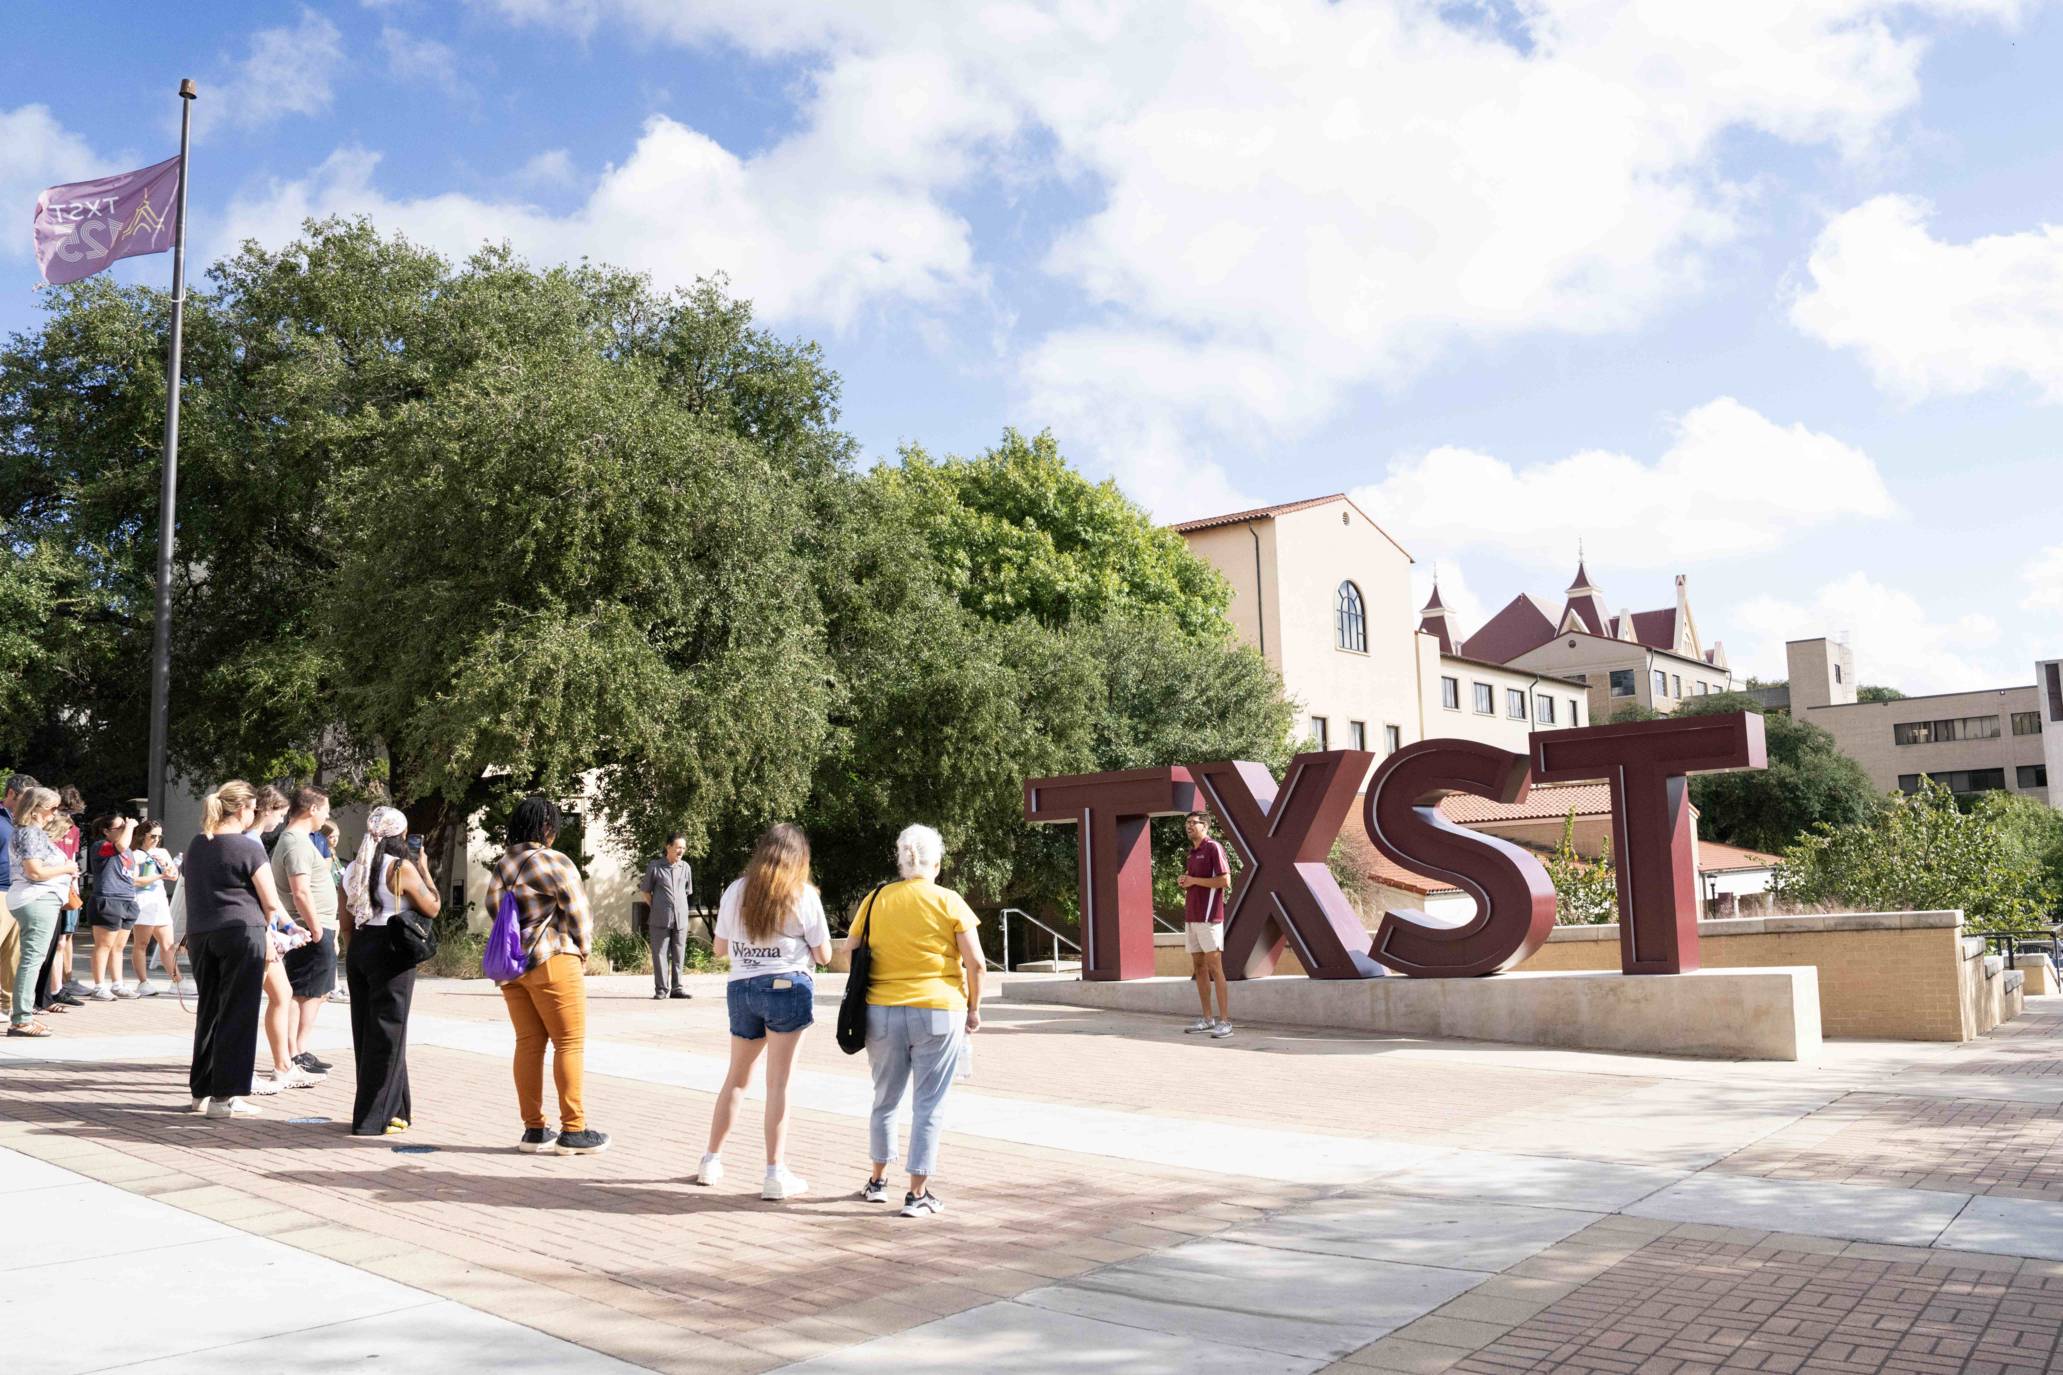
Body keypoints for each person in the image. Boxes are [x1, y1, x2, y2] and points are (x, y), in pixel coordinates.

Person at [849, 824, 984, 1219]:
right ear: (936, 863)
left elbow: (852, 948)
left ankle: (876, 1182)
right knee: (929, 1103)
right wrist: (974, 1007)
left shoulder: (875, 899)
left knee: (884, 1098)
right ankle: (918, 1193)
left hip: (881, 1009)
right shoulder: (950, 901)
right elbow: (975, 963)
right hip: (939, 1011)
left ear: (901, 861)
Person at [696, 824, 831, 1199]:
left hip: (742, 988)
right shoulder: (802, 894)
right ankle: (775, 1172)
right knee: (778, 1084)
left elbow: (719, 949)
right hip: (787, 987)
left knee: (736, 1077)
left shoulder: (736, 890)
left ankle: (711, 1159)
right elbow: (824, 954)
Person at [485, 796, 608, 1156]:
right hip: (553, 958)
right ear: (547, 828)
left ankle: (534, 1130)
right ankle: (574, 1129)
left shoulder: (503, 865)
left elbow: (496, 911)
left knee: (528, 1044)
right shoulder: (554, 860)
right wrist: (583, 950)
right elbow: (579, 912)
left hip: (512, 968)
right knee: (568, 1044)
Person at [184, 780, 294, 1118]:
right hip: (241, 932)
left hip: (202, 934)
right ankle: (226, 1096)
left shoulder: (198, 843)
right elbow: (270, 900)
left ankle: (201, 1091)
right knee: (238, 1014)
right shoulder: (248, 848)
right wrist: (283, 929)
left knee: (210, 1011)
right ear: (243, 810)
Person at [342, 805, 435, 1136]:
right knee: (389, 1032)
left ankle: (397, 1109)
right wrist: (423, 868)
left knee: (366, 1031)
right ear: (402, 835)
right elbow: (433, 906)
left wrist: (356, 948)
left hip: (360, 944)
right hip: (391, 948)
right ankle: (372, 1117)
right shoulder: (401, 868)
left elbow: (346, 921)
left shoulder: (354, 867)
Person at [271, 787, 338, 1078]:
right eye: (325, 808)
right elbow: (300, 892)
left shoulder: (300, 840)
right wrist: (316, 929)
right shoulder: (296, 842)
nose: (327, 815)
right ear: (311, 809)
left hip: (315, 926)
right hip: (309, 927)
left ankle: (299, 1050)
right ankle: (294, 1054)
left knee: (314, 992)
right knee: (302, 993)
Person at [7, 788, 75, 1038]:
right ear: (35, 808)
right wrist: (66, 867)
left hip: (36, 898)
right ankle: (22, 1019)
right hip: (37, 898)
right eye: (52, 808)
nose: (54, 814)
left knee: (31, 959)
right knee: (32, 960)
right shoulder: (31, 833)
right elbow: (34, 872)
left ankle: (24, 1016)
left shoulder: (31, 833)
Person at [1178, 810, 1233, 1039]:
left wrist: (1194, 881)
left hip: (1210, 918)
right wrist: (1185, 881)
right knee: (1199, 968)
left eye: (1194, 823)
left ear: (1206, 826)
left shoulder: (1213, 848)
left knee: (1214, 967)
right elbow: (1197, 883)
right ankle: (1208, 1019)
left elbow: (1225, 880)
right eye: (1187, 823)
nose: (1189, 826)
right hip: (1192, 918)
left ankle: (1225, 1022)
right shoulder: (1192, 853)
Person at [86, 814, 154, 999]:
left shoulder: (128, 852)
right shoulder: (102, 846)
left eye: (126, 826)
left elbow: (131, 875)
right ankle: (99, 986)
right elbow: (121, 845)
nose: (126, 829)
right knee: (104, 945)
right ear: (106, 831)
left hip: (127, 900)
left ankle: (117, 984)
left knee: (119, 947)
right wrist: (131, 826)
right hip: (108, 899)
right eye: (121, 827)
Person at [639, 834, 695, 1001]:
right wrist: (658, 907)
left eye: (683, 848)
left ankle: (677, 988)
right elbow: (646, 892)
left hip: (681, 919)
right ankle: (661, 989)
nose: (681, 851)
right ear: (668, 847)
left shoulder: (685, 867)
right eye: (678, 847)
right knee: (660, 954)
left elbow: (687, 891)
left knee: (679, 954)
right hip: (660, 918)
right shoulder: (655, 866)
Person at [128, 821, 180, 994]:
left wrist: (170, 872)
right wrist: (160, 876)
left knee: (168, 944)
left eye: (159, 836)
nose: (157, 839)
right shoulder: (135, 854)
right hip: (142, 901)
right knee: (141, 943)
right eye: (153, 836)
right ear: (143, 835)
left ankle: (176, 980)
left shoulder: (162, 852)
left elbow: (173, 875)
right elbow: (134, 880)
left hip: (159, 901)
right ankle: (143, 982)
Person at [0, 773, 35, 1023]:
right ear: (11, 794)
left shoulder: (25, 823)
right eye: (26, 797)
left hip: (19, 893)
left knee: (14, 955)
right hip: (0, 891)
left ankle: (5, 1007)